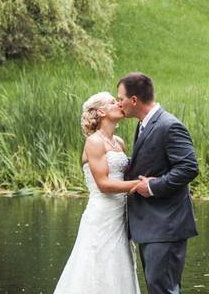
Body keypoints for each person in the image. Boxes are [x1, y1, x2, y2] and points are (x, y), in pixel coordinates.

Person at [52, 92, 142, 294]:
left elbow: (123, 177)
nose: (119, 103)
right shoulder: (94, 142)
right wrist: (141, 184)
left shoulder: (119, 142)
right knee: (97, 265)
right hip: (102, 214)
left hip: (121, 215)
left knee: (119, 265)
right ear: (101, 111)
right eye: (112, 102)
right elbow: (103, 184)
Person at [118, 72, 199, 294]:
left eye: (121, 98)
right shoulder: (144, 124)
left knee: (162, 290)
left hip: (166, 225)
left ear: (134, 100)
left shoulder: (169, 125)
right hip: (153, 226)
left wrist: (152, 187)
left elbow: (189, 167)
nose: (118, 103)